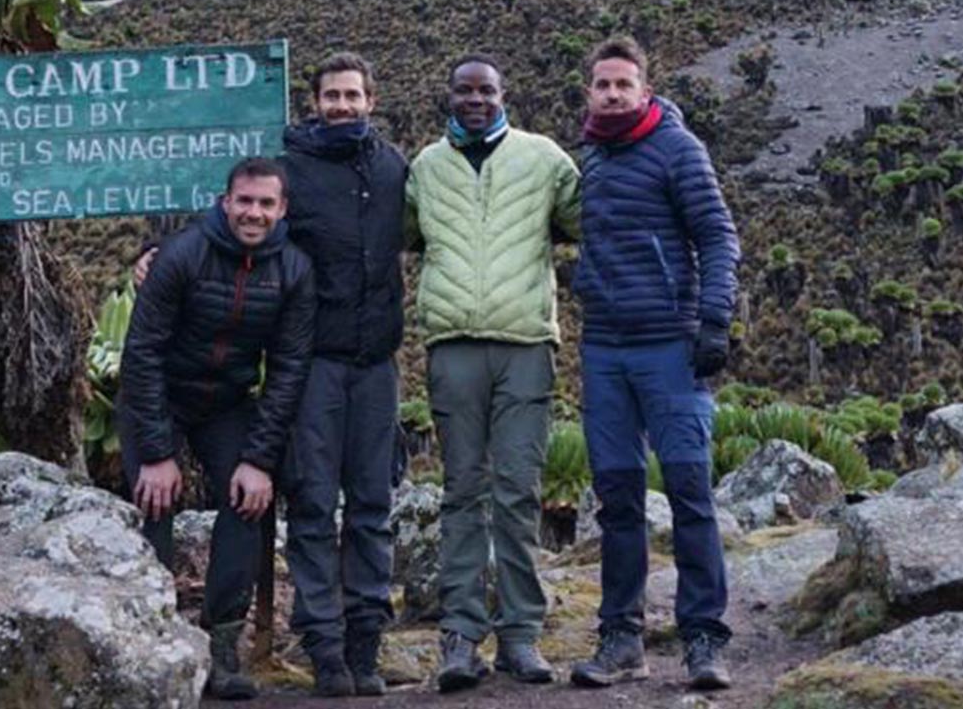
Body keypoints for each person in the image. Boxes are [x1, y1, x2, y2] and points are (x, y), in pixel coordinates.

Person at [567, 36, 740, 692]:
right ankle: (621, 638)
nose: (613, 94)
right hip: (604, 349)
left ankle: (703, 638)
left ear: (645, 89)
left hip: (670, 346)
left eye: (624, 84)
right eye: (603, 85)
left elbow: (717, 235)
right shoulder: (592, 158)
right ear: (590, 92)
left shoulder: (677, 148)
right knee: (617, 499)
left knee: (690, 492)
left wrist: (714, 320)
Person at [406, 56, 582, 691]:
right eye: (464, 89)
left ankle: (520, 634)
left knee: (517, 490)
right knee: (461, 491)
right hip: (453, 345)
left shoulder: (545, 159)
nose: (475, 99)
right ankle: (458, 636)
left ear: (504, 94)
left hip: (525, 344)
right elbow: (406, 235)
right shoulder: (425, 168)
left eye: (486, 90)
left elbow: (587, 221)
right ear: (448, 94)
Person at [121, 158, 315, 702]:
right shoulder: (181, 256)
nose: (254, 213)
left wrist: (259, 460)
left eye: (266, 204)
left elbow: (288, 369)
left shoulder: (294, 270)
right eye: (244, 201)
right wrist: (157, 452)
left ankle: (222, 645)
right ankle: (152, 637)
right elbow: (142, 353)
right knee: (153, 503)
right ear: (225, 202)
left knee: (247, 501)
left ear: (282, 210)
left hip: (227, 401)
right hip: (159, 395)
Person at [280, 52, 410, 697]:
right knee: (311, 503)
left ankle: (366, 644)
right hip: (315, 364)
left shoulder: (393, 169)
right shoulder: (289, 167)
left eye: (352, 95)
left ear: (371, 100)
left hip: (377, 363)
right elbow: (238, 222)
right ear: (315, 102)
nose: (341, 106)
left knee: (371, 505)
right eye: (331, 96)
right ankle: (324, 648)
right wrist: (151, 249)